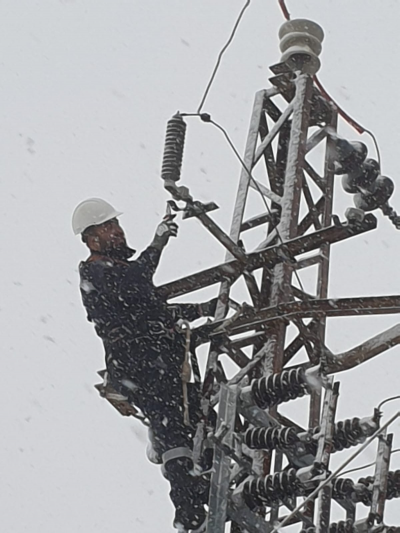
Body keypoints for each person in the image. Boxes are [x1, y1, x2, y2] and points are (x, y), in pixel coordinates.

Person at [72, 198, 217, 531]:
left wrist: (202, 308)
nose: (117, 231)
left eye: (116, 225)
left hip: (157, 359)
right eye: (108, 228)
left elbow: (155, 312)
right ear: (92, 239)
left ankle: (204, 484)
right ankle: (189, 512)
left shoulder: (121, 272)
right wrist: (158, 243)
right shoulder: (95, 270)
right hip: (140, 365)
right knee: (173, 429)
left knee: (197, 418)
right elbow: (134, 287)